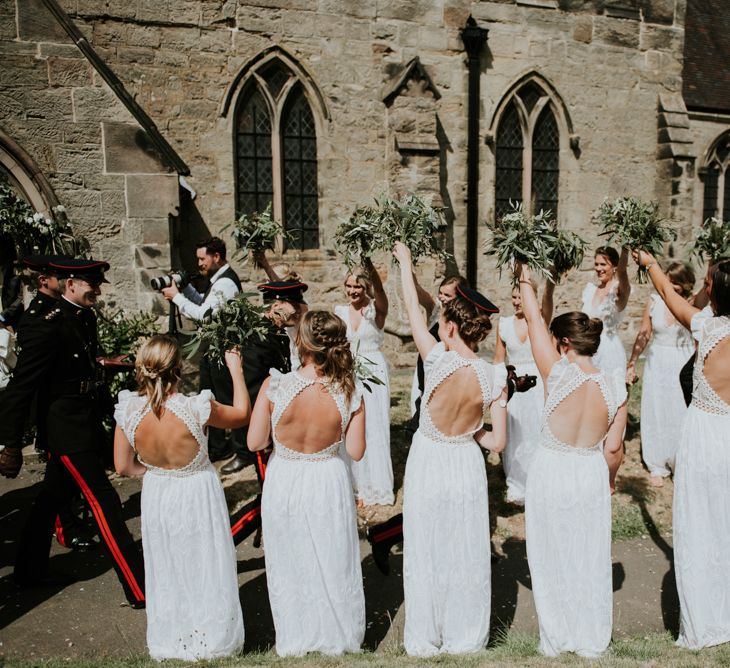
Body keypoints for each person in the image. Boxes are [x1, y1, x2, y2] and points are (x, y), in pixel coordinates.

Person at [0, 258, 145, 607]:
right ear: (69, 284)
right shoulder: (44, 324)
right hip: (65, 427)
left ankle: (29, 572)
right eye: (90, 284)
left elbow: (77, 362)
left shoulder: (83, 315)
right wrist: (10, 442)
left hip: (84, 418)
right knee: (104, 501)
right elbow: (22, 386)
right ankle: (140, 589)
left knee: (50, 497)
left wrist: (106, 364)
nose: (97, 289)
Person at [393, 241, 507, 657]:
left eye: (442, 320)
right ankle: (465, 634)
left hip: (429, 460)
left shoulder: (437, 359)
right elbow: (497, 442)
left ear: (452, 326)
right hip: (465, 464)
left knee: (427, 545)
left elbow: (410, 305)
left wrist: (405, 262)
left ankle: (427, 634)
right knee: (464, 547)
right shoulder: (494, 377)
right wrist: (471, 432)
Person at [517, 261, 627, 657]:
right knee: (588, 552)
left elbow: (531, 316)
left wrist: (524, 278)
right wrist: (610, 479)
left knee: (550, 550)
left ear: (563, 344)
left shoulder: (557, 374)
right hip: (589, 471)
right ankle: (588, 636)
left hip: (552, 469)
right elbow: (614, 448)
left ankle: (557, 636)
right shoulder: (616, 386)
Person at [114, 336, 248, 660]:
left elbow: (122, 465)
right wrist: (236, 369)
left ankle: (174, 637)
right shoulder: (196, 406)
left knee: (168, 564)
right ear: (177, 368)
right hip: (196, 490)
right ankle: (212, 638)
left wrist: (153, 473)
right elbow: (242, 413)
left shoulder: (128, 410)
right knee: (205, 561)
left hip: (158, 492)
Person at [248, 310, 366, 656]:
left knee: (289, 558)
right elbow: (356, 451)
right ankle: (336, 634)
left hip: (284, 477)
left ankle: (296, 635)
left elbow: (255, 443)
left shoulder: (275, 386)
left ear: (301, 343)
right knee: (332, 556)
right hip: (327, 477)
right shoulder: (351, 390)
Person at [634, 250, 730, 649]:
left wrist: (650, 262)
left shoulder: (706, 327)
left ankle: (705, 620)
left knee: (700, 524)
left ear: (711, 288)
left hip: (706, 435)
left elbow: (666, 294)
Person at [227, 280, 307, 544]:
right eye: (294, 310)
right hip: (263, 430)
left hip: (276, 425)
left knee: (273, 491)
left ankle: (267, 535)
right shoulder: (257, 338)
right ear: (276, 306)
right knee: (271, 494)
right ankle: (226, 540)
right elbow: (253, 390)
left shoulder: (275, 332)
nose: (297, 316)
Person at [162, 237, 241, 463]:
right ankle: (218, 446)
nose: (199, 264)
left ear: (216, 257)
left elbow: (204, 316)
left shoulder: (225, 283)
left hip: (223, 348)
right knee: (208, 396)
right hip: (212, 348)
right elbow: (203, 306)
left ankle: (243, 452)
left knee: (226, 398)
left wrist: (176, 298)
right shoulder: (217, 280)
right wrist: (184, 288)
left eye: (202, 258)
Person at [626, 262, 695, 486]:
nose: (671, 286)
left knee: (680, 409)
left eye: (676, 283)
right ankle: (657, 463)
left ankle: (680, 461)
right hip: (657, 361)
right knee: (656, 408)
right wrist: (633, 360)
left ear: (685, 285)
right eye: (668, 281)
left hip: (682, 359)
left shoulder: (693, 303)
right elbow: (644, 333)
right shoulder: (654, 301)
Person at [335, 259, 392, 506]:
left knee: (374, 425)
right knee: (349, 423)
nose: (352, 291)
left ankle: (376, 487)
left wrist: (369, 263)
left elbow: (380, 292)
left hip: (373, 371)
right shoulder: (338, 311)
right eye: (348, 286)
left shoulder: (376, 310)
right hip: (347, 370)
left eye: (357, 286)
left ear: (366, 287)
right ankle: (353, 484)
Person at [493, 279, 555, 504]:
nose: (516, 302)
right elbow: (498, 359)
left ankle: (539, 480)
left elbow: (549, 299)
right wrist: (501, 387)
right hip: (515, 385)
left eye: (521, 297)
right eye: (514, 297)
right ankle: (517, 481)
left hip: (537, 382)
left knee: (537, 430)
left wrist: (549, 281)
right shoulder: (504, 324)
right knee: (516, 432)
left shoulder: (538, 321)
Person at [581, 246, 631, 370]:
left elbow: (623, 271)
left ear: (614, 266)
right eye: (596, 264)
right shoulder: (590, 290)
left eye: (603, 264)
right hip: (587, 348)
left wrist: (625, 248)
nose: (598, 268)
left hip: (608, 350)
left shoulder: (618, 291)